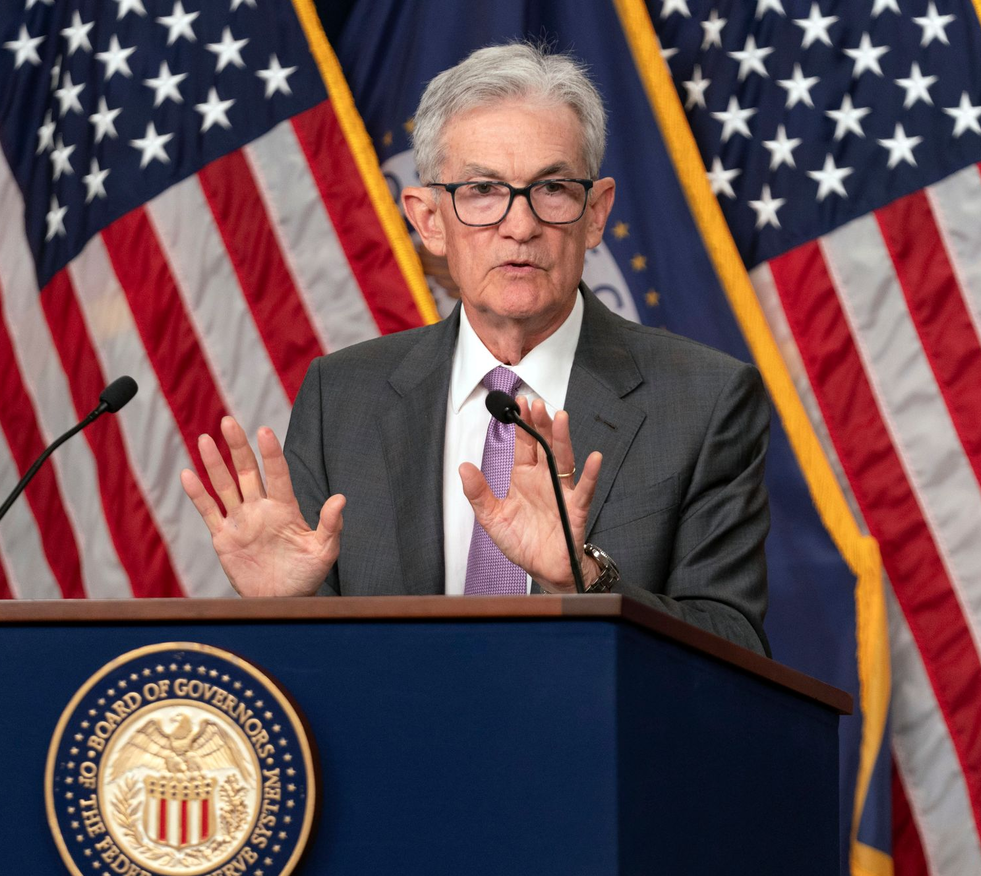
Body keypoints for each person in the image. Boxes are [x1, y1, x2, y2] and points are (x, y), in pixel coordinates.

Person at [180, 42, 771, 655]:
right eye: (484, 189)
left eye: (553, 188)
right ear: (429, 220)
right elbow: (314, 669)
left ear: (595, 214)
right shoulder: (342, 397)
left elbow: (736, 649)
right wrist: (283, 611)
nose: (520, 226)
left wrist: (583, 579)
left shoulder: (705, 400)